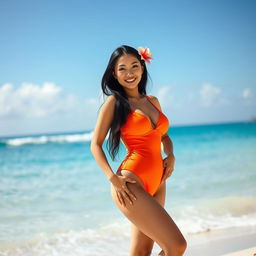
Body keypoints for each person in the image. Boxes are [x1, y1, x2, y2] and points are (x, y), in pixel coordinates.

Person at [90, 45, 187, 256]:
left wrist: (170, 155)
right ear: (114, 74)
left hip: (158, 180)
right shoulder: (115, 102)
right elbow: (95, 144)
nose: (129, 73)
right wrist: (112, 178)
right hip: (132, 182)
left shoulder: (153, 101)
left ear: (142, 68)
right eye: (122, 68)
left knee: (142, 251)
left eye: (134, 66)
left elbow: (164, 136)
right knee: (177, 246)